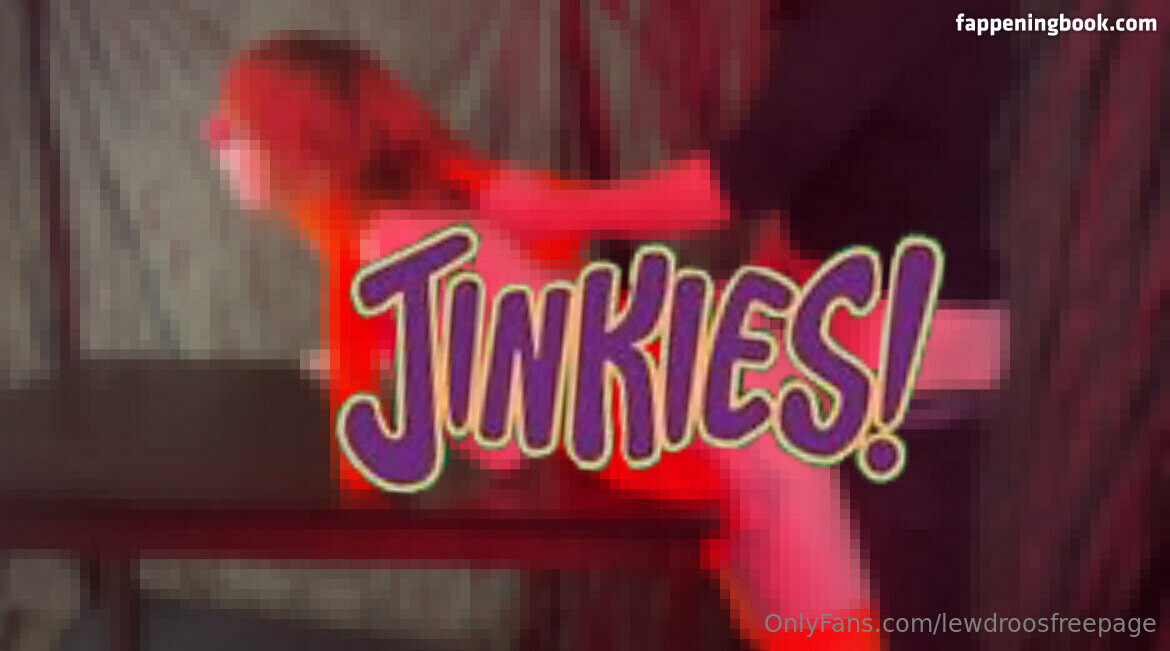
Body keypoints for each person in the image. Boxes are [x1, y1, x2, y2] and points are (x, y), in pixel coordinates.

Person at [209, 32, 1015, 650]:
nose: (221, 142)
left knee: (776, 494)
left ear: (303, 142)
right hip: (667, 375)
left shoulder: (393, 240)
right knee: (780, 500)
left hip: (654, 387)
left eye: (235, 133)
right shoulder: (427, 218)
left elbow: (484, 401)